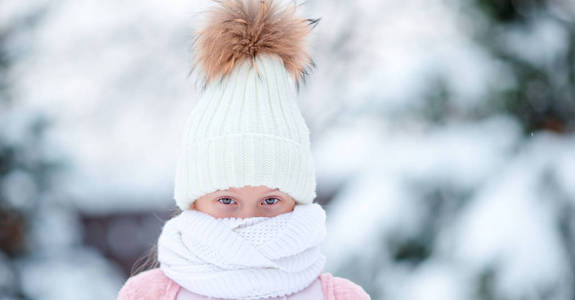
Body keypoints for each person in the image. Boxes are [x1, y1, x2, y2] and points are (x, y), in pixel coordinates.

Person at [117, 0, 371, 299]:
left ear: (297, 201)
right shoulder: (150, 295)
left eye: (271, 200)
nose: (249, 218)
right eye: (227, 199)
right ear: (194, 201)